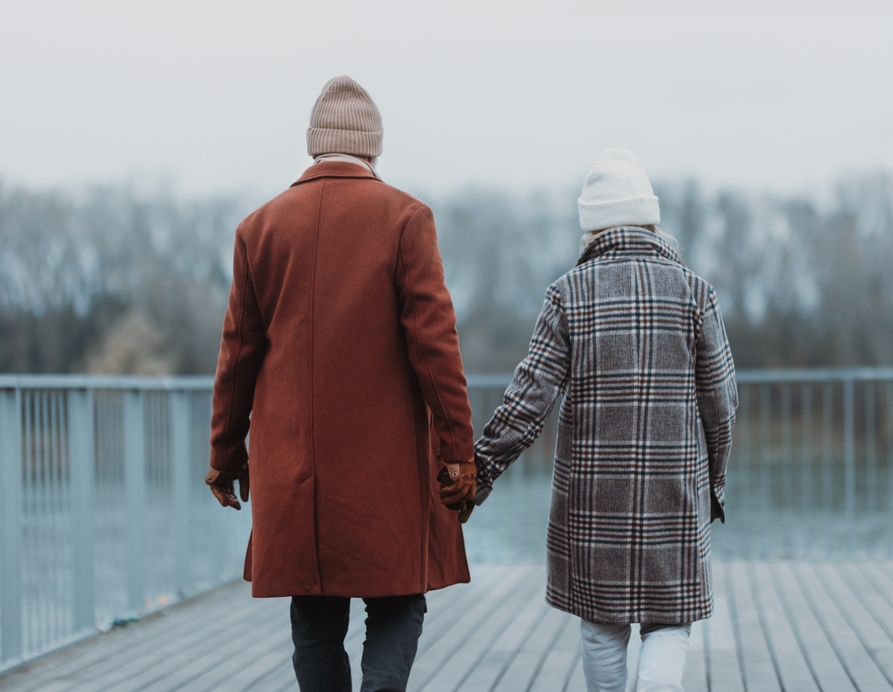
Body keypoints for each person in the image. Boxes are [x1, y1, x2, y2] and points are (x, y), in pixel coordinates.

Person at [204, 75, 477, 692]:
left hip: (294, 469)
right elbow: (436, 349)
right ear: (373, 148)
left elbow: (237, 357)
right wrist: (458, 451)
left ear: (313, 146)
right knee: (398, 600)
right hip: (385, 468)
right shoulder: (407, 218)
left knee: (316, 614)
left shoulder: (259, 228)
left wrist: (224, 456)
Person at [472, 148, 737, 692]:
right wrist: (713, 481)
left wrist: (480, 470)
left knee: (601, 632)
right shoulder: (695, 293)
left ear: (590, 229)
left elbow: (529, 399)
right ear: (650, 219)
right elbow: (722, 404)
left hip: (594, 499)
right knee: (669, 623)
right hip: (674, 491)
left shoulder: (569, 295)